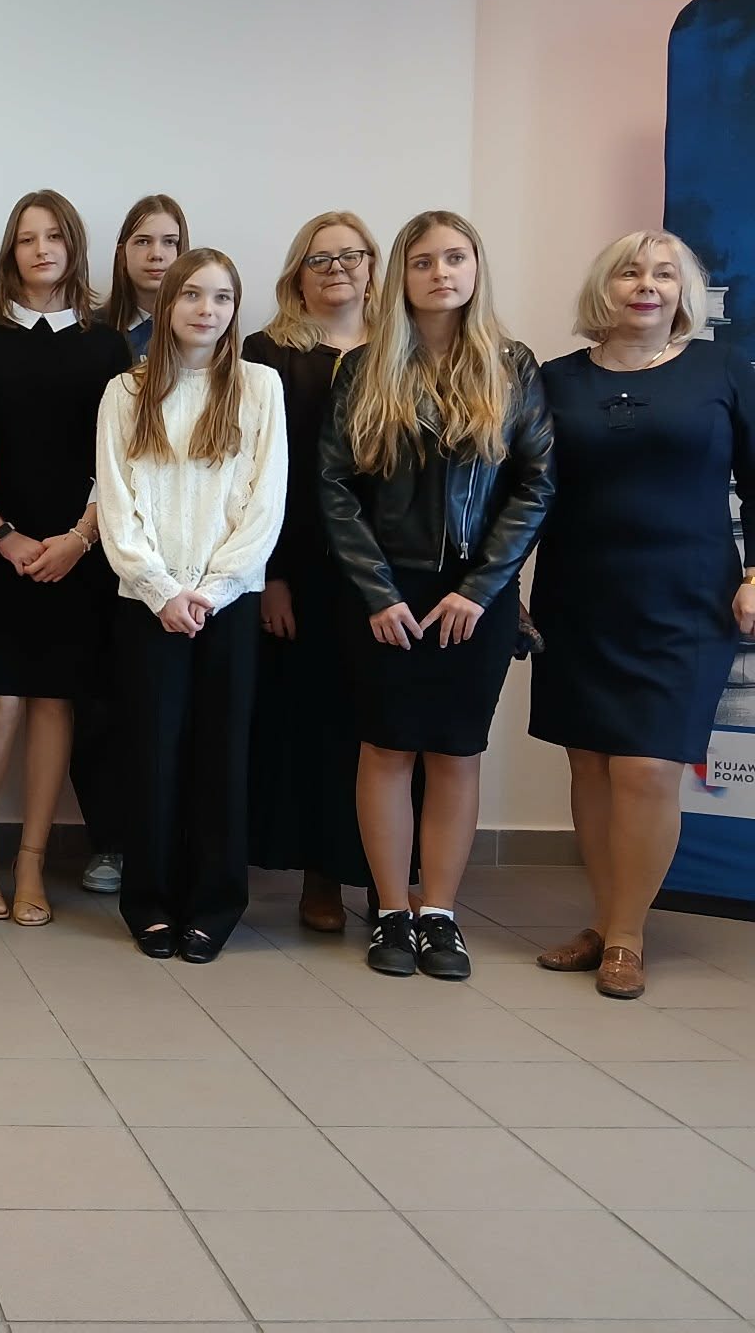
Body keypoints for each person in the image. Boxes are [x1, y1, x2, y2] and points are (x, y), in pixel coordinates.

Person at [321, 210, 553, 981]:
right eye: (423, 261)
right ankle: (392, 910)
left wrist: (481, 590)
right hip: (385, 592)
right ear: (402, 276)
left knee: (456, 751)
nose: (441, 273)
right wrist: (376, 591)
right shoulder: (364, 367)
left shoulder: (513, 366)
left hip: (475, 597)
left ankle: (440, 913)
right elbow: (335, 488)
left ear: (476, 268)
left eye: (455, 258)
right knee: (387, 747)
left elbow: (535, 485)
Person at [531, 231, 755, 997]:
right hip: (579, 597)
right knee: (591, 764)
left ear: (684, 292)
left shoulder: (721, 370)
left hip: (687, 600)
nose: (647, 285)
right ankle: (604, 920)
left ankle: (627, 937)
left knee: (649, 766)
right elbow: (524, 490)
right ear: (606, 287)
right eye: (630, 272)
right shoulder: (555, 380)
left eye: (664, 273)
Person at [95, 249, 285, 964]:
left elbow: (266, 503)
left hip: (227, 602)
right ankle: (148, 902)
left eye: (223, 298)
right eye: (194, 295)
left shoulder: (260, 387)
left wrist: (212, 590)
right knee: (152, 753)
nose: (208, 310)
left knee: (220, 755)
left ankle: (213, 905)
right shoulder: (126, 390)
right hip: (149, 603)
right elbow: (116, 503)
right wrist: (161, 590)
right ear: (168, 303)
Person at [0, 191, 129, 926]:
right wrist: (1, 533)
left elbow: (120, 457)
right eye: (27, 238)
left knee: (57, 702)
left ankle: (30, 864)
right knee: (1, 700)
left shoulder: (107, 343)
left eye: (54, 236)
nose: (42, 249)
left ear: (74, 247)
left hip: (78, 551)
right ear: (10, 252)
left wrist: (79, 539)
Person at [242, 212, 382, 934]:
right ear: (297, 274)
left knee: (383, 725)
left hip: (388, 570)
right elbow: (258, 475)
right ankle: (320, 875)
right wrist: (272, 576)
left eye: (350, 255)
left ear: (373, 266)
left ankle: (389, 881)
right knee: (312, 725)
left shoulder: (404, 349)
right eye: (319, 258)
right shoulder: (267, 353)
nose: (337, 269)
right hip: (298, 569)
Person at [100, 195, 189, 366]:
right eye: (143, 241)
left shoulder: (202, 327)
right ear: (122, 254)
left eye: (169, 242)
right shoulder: (92, 330)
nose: (156, 254)